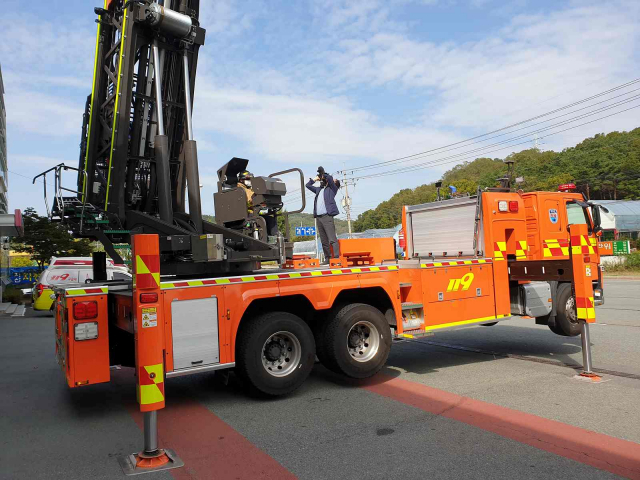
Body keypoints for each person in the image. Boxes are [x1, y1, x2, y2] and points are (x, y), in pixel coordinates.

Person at [306, 166, 340, 264]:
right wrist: (315, 179)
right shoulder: (319, 190)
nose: (332, 180)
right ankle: (327, 258)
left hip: (327, 216)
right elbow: (308, 186)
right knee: (324, 240)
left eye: (334, 180)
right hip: (319, 218)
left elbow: (329, 178)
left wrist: (323, 173)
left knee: (332, 238)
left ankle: (336, 257)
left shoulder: (333, 189)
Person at [237, 170, 278, 237]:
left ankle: (275, 237)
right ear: (241, 180)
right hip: (246, 214)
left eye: (250, 180)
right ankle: (263, 238)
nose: (250, 181)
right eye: (248, 179)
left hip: (252, 212)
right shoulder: (240, 190)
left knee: (270, 219)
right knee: (261, 220)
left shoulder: (249, 189)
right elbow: (249, 201)